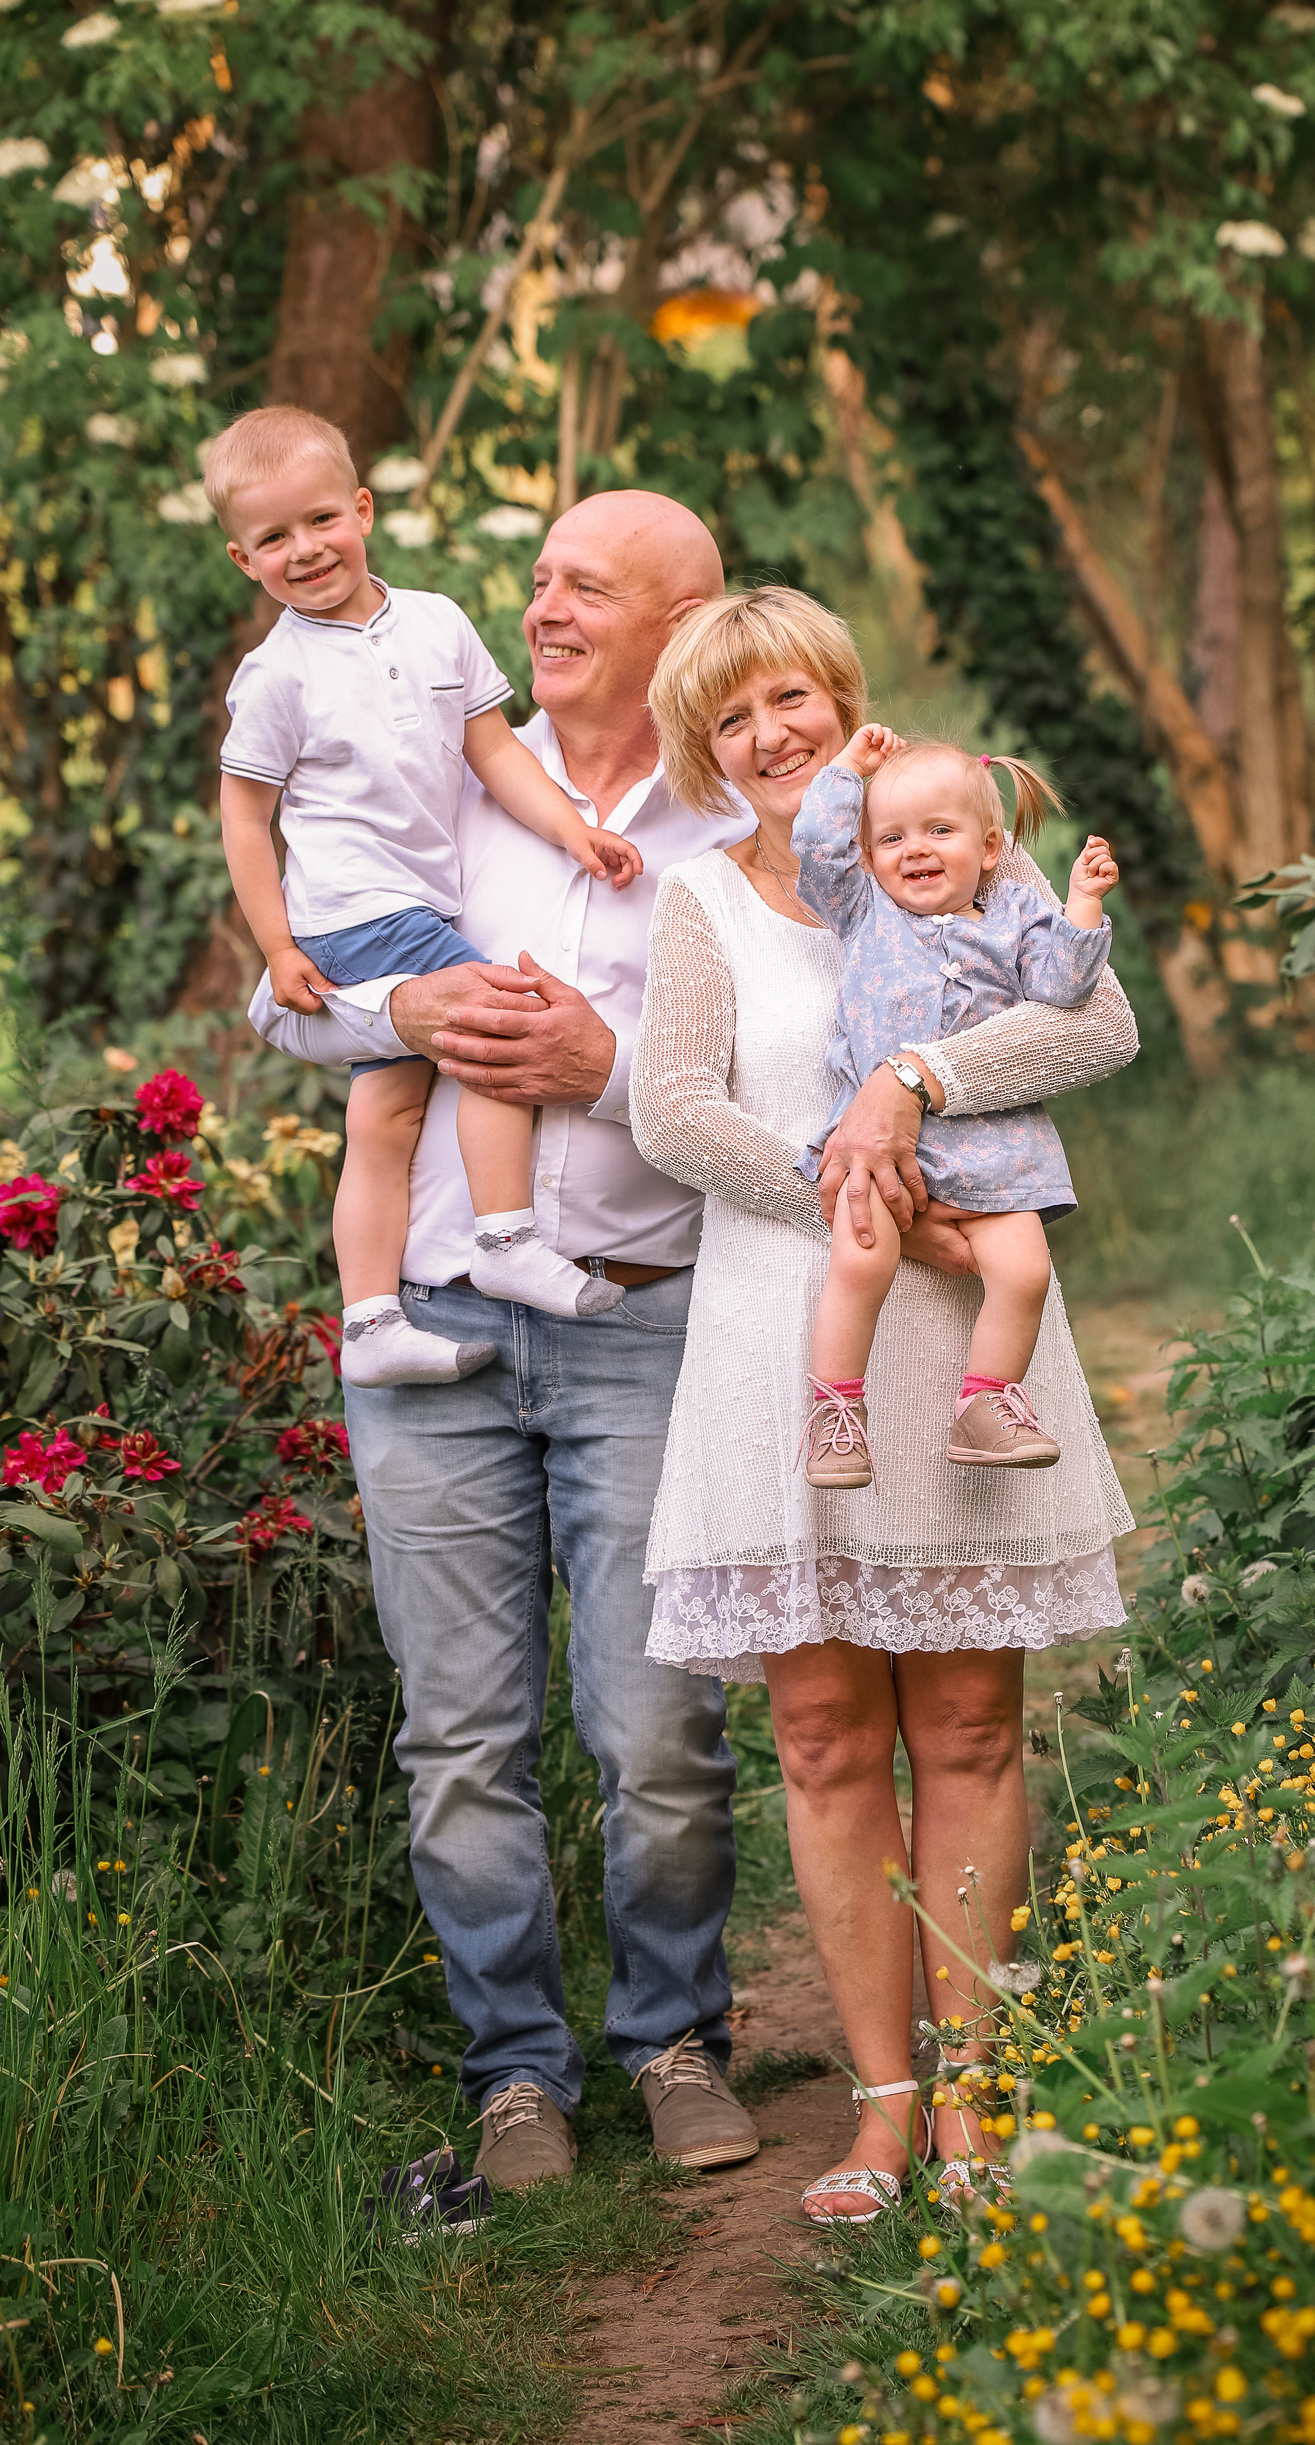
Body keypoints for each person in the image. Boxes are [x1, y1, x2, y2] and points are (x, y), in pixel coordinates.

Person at [245, 489, 768, 2197]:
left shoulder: (741, 819)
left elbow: (809, 1064)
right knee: (459, 1736)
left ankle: (679, 2037)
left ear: (682, 618)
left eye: (587, 589)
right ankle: (513, 2080)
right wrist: (400, 1010)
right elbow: (283, 990)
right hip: (433, 1326)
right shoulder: (428, 762)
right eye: (539, 577)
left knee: (653, 1727)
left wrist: (602, 1071)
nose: (543, 608)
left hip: (644, 1317)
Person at [630, 585, 1137, 2223]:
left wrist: (910, 1086)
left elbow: (1099, 1016)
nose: (769, 736)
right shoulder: (705, 900)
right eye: (731, 719)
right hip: (797, 1322)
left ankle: (979, 2110)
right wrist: (852, 1187)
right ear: (703, 752)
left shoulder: (945, 844)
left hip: (960, 1337)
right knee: (826, 1737)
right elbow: (673, 1112)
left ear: (838, 701)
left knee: (971, 1726)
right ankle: (879, 2109)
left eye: (789, 699)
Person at [211, 406, 644, 1391]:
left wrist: (571, 829)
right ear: (245, 560)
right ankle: (504, 1235)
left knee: (385, 1117)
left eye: (321, 518)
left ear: (362, 509)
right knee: (496, 1018)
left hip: (418, 902)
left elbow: (491, 750)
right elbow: (245, 820)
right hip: (358, 909)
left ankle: (367, 1320)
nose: (305, 549)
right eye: (273, 538)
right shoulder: (277, 675)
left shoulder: (440, 621)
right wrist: (279, 946)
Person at [790, 724, 1121, 1488]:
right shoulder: (863, 911)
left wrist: (1079, 905)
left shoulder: (1012, 917)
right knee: (858, 1260)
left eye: (939, 831)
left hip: (997, 1145)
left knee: (1023, 1271)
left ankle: (985, 1404)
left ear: (991, 845)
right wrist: (846, 770)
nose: (914, 850)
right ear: (868, 857)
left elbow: (1064, 990)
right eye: (891, 838)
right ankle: (836, 1414)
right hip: (881, 1146)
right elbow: (816, 845)